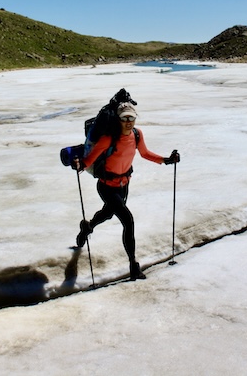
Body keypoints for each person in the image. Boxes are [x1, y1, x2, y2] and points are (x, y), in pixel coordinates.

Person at [72, 101, 180, 280]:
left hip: (123, 186)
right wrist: (79, 164)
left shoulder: (137, 135)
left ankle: (87, 227)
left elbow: (145, 154)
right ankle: (133, 266)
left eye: (132, 117)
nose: (128, 121)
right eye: (124, 118)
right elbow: (89, 160)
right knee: (128, 221)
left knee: (107, 214)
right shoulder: (108, 138)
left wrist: (167, 160)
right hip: (106, 186)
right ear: (119, 120)